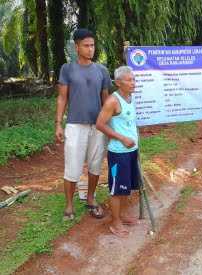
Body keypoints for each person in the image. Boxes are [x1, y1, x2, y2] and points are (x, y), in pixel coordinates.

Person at [55, 28, 112, 220]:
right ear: (77, 47)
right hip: (75, 125)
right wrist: (58, 124)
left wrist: (110, 125)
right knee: (72, 166)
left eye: (93, 45)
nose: (90, 49)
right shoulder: (67, 69)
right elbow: (62, 98)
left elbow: (106, 101)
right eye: (86, 45)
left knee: (95, 164)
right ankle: (69, 205)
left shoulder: (102, 70)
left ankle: (90, 198)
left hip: (98, 126)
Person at [96, 66, 139, 237]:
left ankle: (121, 215)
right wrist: (122, 138)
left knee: (126, 186)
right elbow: (100, 124)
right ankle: (115, 223)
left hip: (131, 150)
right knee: (116, 188)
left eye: (134, 79)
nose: (133, 83)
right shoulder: (112, 101)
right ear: (119, 82)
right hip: (118, 153)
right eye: (129, 80)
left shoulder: (130, 97)